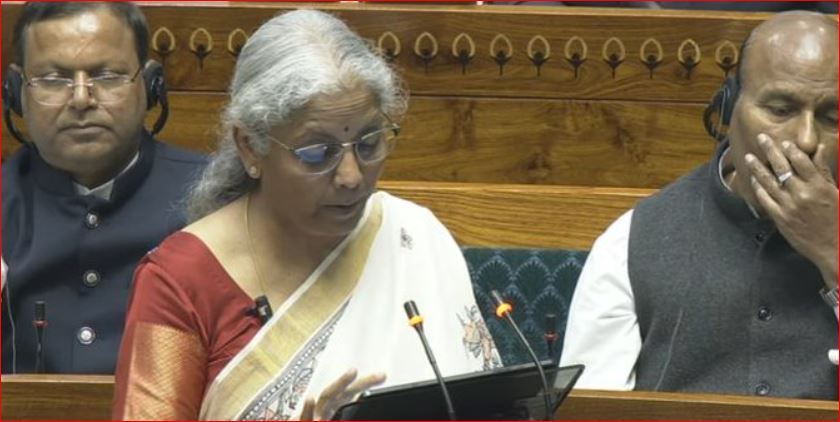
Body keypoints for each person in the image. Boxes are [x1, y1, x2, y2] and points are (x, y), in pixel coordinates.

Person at [112, 9, 501, 420]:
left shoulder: (413, 236)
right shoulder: (180, 282)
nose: (351, 177)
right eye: (317, 152)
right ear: (250, 147)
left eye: (369, 143)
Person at [560, 11, 838, 400]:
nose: (806, 140)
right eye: (780, 109)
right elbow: (587, 410)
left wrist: (833, 250)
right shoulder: (632, 241)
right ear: (729, 109)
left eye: (832, 117)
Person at [1, 2, 206, 374]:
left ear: (151, 85)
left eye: (107, 76)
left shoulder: (215, 200)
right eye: (54, 79)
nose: (81, 99)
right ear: (16, 92)